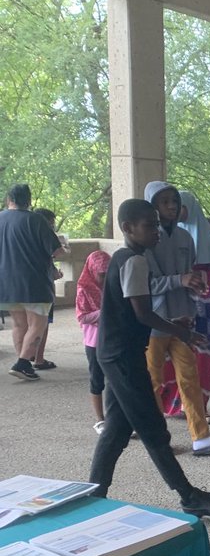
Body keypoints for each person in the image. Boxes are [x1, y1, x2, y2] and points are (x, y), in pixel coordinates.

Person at [88, 199, 210, 518]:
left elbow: (136, 310)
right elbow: (142, 314)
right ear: (128, 228)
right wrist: (179, 332)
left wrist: (171, 325)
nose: (156, 231)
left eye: (157, 224)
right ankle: (188, 496)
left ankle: (94, 493)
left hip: (113, 352)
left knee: (116, 428)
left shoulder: (125, 258)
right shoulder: (135, 262)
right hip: (123, 356)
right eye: (149, 225)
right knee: (153, 427)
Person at [143, 181, 210, 456]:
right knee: (153, 380)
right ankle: (156, 438)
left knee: (190, 376)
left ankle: (201, 438)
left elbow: (189, 275)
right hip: (156, 321)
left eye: (175, 201)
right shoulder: (147, 239)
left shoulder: (185, 239)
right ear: (153, 207)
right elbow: (146, 285)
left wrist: (193, 284)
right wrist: (180, 280)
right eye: (164, 202)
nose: (172, 207)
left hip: (182, 319)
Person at [163, 189, 210, 418]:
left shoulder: (204, 238)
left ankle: (196, 404)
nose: (174, 209)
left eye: (179, 205)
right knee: (172, 352)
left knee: (200, 353)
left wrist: (197, 278)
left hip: (200, 305)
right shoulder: (168, 236)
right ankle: (171, 402)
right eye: (168, 203)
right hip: (175, 302)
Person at [0, 183, 61, 381]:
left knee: (19, 324)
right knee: (38, 324)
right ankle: (24, 363)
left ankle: (23, 365)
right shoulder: (35, 220)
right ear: (29, 200)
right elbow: (56, 250)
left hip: (6, 282)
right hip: (34, 282)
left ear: (9, 199)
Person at [75, 249, 111, 434]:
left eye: (107, 274)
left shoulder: (114, 285)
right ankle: (100, 419)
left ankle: (117, 419)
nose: (104, 280)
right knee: (97, 380)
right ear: (92, 271)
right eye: (101, 275)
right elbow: (82, 317)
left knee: (116, 380)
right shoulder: (84, 288)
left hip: (113, 339)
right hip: (94, 342)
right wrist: (103, 314)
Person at [29, 207, 66, 370]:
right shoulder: (45, 238)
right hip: (42, 288)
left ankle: (27, 354)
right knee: (42, 324)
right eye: (51, 224)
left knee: (28, 324)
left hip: (23, 288)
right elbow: (59, 253)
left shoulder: (26, 239)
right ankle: (39, 358)